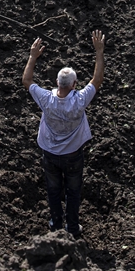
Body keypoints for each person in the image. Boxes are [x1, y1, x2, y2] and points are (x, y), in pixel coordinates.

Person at [22, 29, 106, 238]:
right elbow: (97, 80)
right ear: (74, 85)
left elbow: (27, 80)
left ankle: (56, 225)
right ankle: (72, 227)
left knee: (53, 190)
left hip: (50, 153)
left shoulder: (46, 99)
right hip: (73, 155)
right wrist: (99, 52)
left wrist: (32, 57)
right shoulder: (79, 101)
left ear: (57, 84)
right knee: (73, 191)